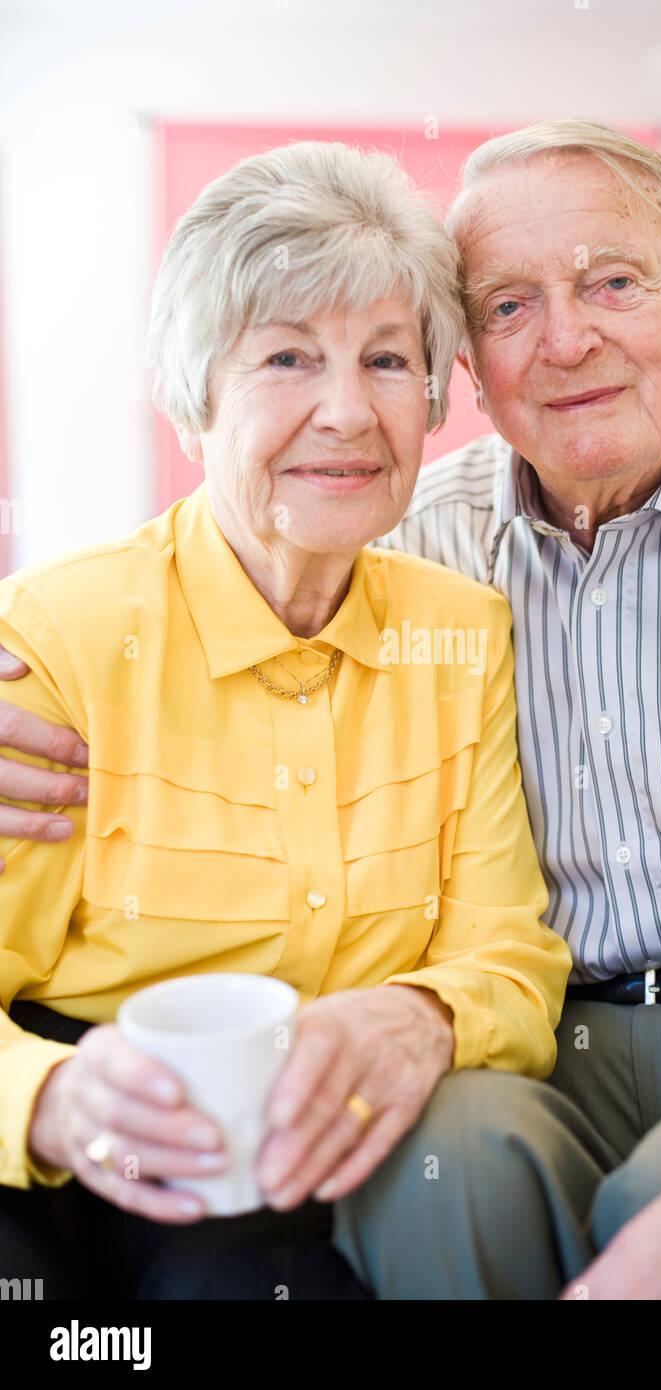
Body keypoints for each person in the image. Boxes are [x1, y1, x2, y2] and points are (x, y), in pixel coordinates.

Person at [5, 119, 661, 1302]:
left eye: (611, 281)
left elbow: (494, 939)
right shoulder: (366, 537)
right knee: (438, 1158)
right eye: (506, 307)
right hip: (442, 1075)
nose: (349, 416)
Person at [0, 139, 573, 1300]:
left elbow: (507, 954)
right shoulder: (54, 634)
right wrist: (49, 1099)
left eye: (386, 360)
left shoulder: (462, 633)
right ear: (192, 393)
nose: (347, 412)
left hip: (282, 1161)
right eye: (287, 357)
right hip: (61, 1113)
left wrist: (421, 1015)